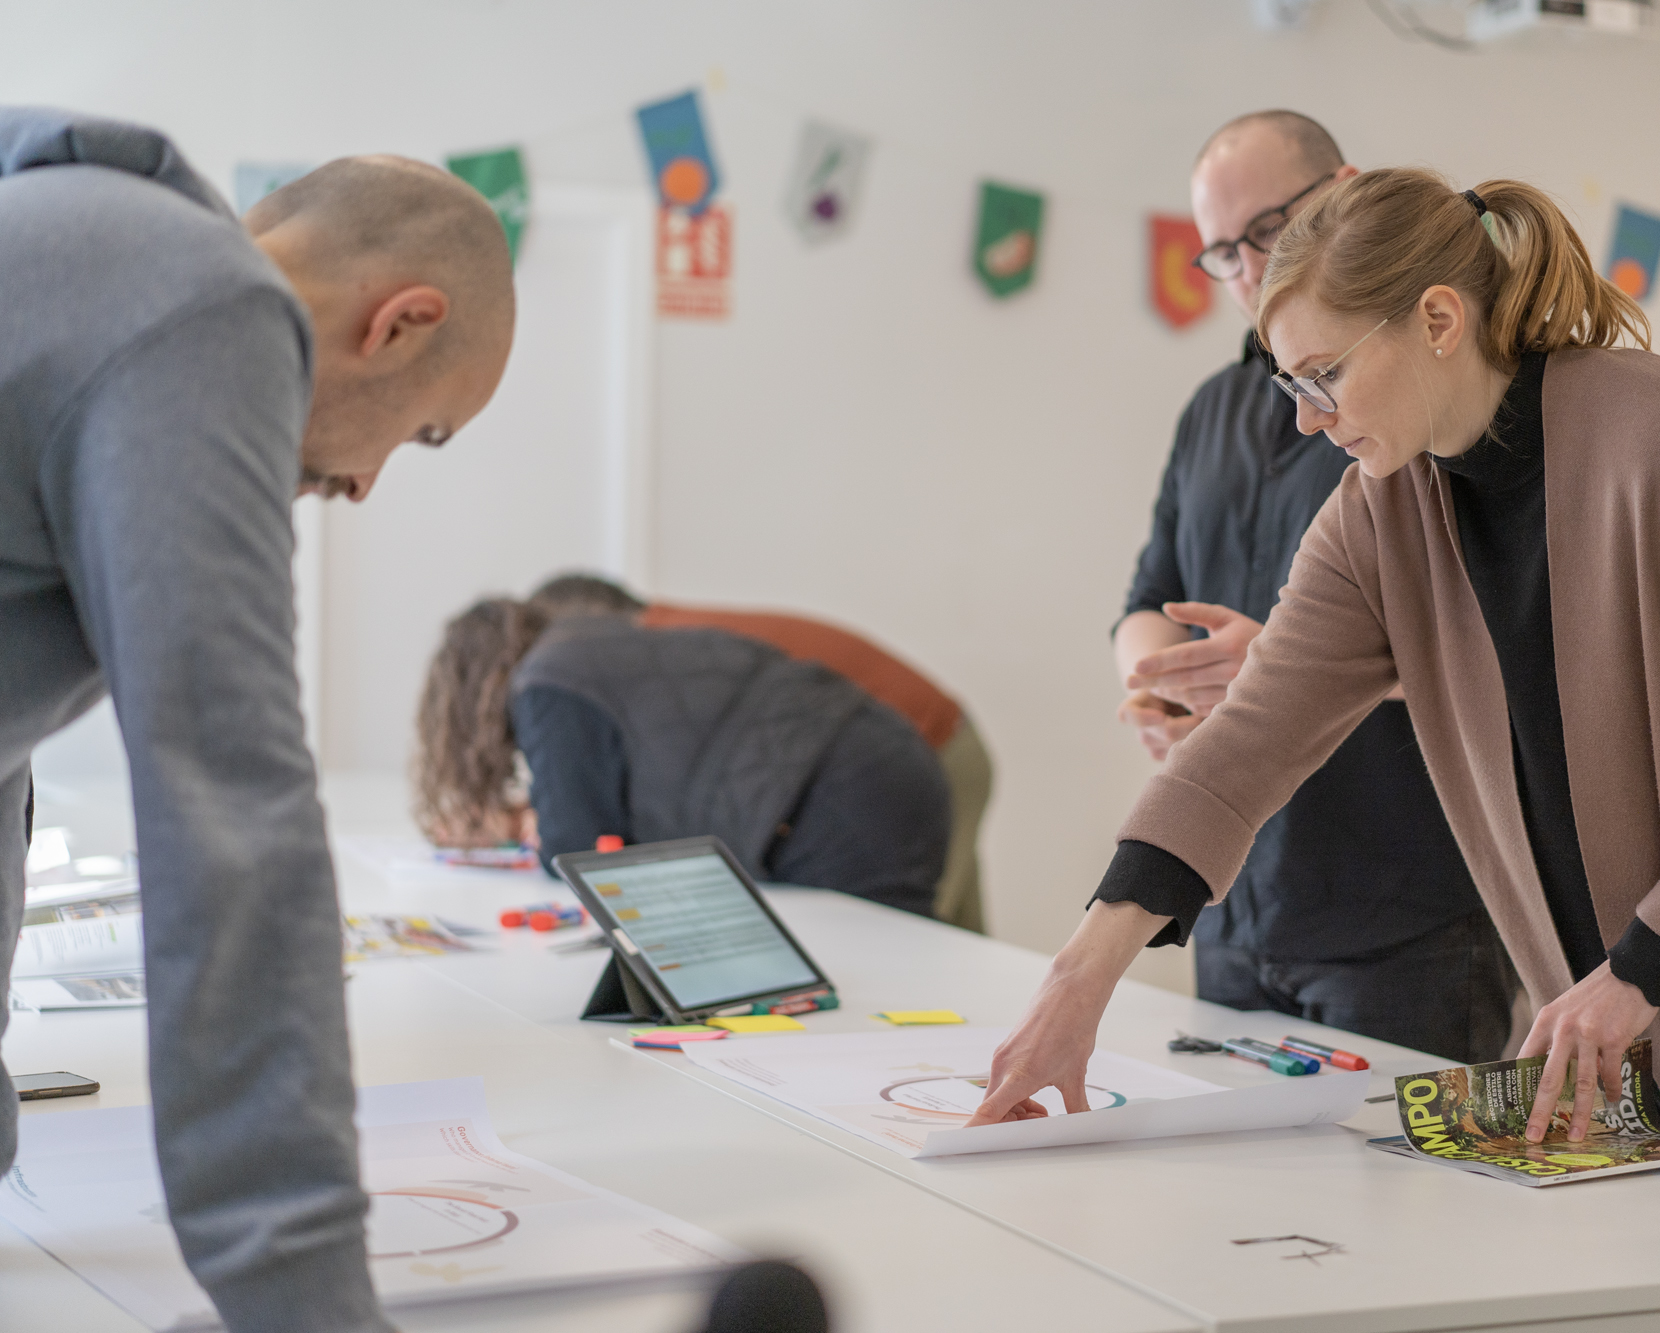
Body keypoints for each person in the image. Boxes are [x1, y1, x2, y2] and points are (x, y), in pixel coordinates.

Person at [971, 166, 1660, 1206]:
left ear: (1435, 318)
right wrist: (1079, 974)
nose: (1304, 420)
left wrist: (1636, 976)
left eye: (1321, 374)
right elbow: (1244, 742)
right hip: (1621, 944)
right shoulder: (1376, 514)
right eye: (1289, 385)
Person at [0, 108, 515, 1332]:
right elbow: (230, 806)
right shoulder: (204, 306)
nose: (367, 481)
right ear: (402, 322)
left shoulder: (72, 247)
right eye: (424, 431)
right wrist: (302, 1294)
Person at [1114, 110, 1511, 1063]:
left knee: (1410, 1203)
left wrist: (1293, 669)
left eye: (1264, 229)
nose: (1248, 265)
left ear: (1344, 189)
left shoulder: (1424, 405)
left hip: (1404, 913)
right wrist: (1164, 684)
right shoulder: (1212, 410)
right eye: (1220, 250)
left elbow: (1506, 640)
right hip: (1237, 904)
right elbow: (1145, 597)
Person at [414, 598, 951, 916]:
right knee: (909, 974)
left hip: (835, 794)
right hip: (890, 757)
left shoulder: (547, 681)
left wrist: (510, 823)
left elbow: (574, 851)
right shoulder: (598, 643)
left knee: (871, 989)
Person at [528, 572, 993, 932]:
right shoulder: (661, 647)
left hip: (929, 744)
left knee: (925, 942)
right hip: (930, 738)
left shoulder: (656, 652)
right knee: (960, 932)